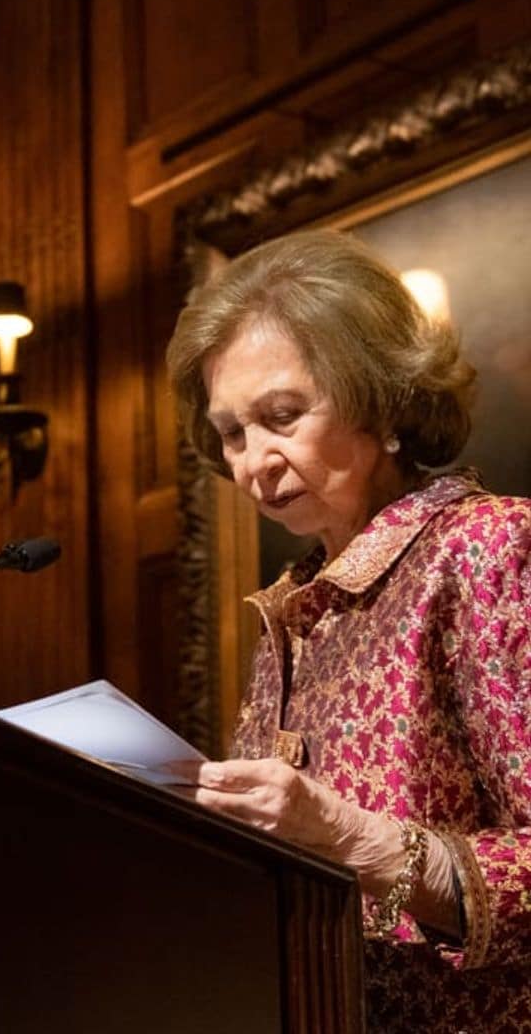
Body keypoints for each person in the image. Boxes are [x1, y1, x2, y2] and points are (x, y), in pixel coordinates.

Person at [164, 229, 531, 1032]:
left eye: (283, 417)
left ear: (382, 400)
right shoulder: (292, 612)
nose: (255, 461)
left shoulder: (487, 548)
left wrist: (346, 836)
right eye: (232, 433)